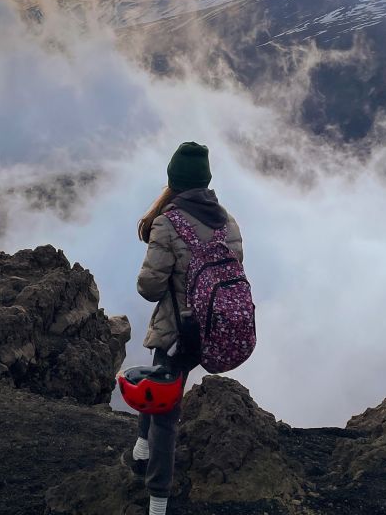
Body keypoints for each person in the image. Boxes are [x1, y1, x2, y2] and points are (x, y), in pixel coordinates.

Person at [125, 141, 243, 515]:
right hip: (218, 329)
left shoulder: (166, 222)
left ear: (173, 179)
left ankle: (157, 499)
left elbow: (150, 288)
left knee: (164, 410)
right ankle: (141, 448)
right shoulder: (227, 221)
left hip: (178, 332)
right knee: (162, 384)